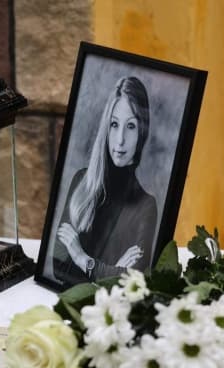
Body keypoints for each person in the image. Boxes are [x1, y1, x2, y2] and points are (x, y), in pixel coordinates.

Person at [53, 76, 158, 286]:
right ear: (106, 128)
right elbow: (58, 267)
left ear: (142, 132)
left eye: (130, 126)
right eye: (114, 124)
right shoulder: (81, 182)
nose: (120, 139)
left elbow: (132, 281)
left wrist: (83, 259)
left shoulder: (146, 207)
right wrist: (112, 272)